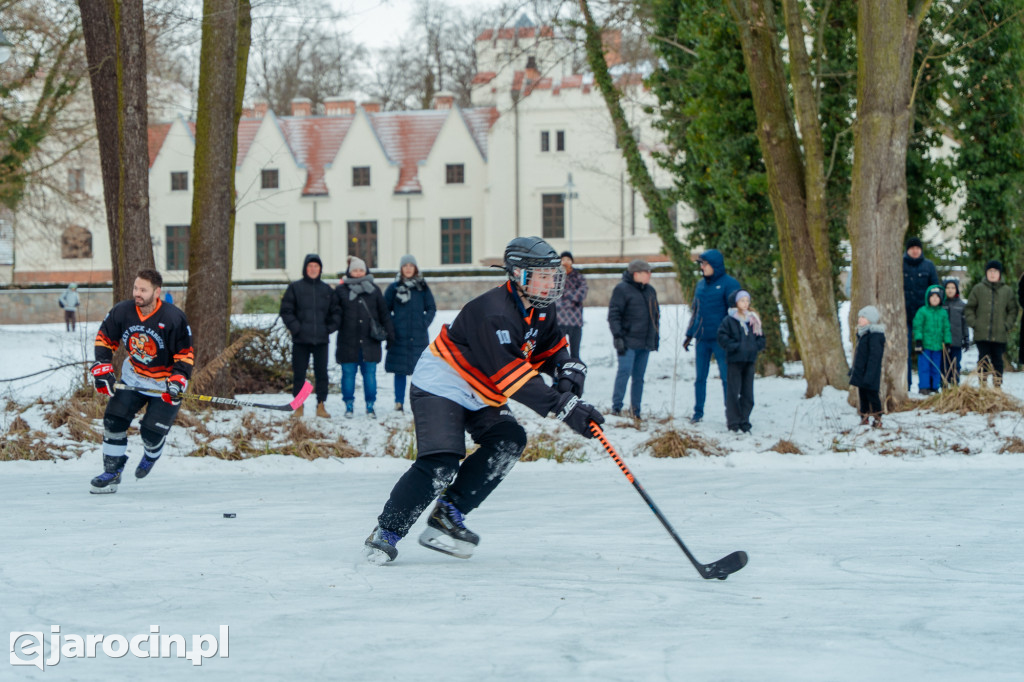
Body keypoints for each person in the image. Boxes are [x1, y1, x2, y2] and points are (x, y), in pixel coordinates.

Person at [363, 236, 601, 564]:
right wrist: (562, 406)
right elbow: (512, 375)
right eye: (542, 275)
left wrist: (568, 368)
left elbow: (549, 347)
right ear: (519, 275)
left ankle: (449, 513)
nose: (550, 282)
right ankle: (386, 533)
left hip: (482, 388)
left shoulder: (543, 308)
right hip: (442, 383)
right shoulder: (494, 312)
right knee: (441, 463)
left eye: (552, 275)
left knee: (509, 441)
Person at [88, 269, 193, 493]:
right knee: (113, 421)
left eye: (143, 290)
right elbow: (104, 338)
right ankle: (112, 472)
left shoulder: (173, 317)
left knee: (151, 433)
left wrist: (178, 380)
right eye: (136, 288)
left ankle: (151, 453)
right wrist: (103, 366)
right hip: (134, 377)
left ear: (157, 292)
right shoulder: (123, 311)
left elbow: (184, 355)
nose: (137, 293)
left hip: (163, 384)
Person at [280, 254, 341, 418]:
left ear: (320, 269)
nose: (313, 269)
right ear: (305, 269)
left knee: (322, 374)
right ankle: (299, 406)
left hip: (321, 340)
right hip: (301, 340)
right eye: (310, 266)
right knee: (299, 374)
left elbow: (336, 313)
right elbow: (286, 310)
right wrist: (296, 328)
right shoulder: (295, 288)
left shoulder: (327, 290)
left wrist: (328, 328)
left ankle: (321, 405)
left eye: (316, 266)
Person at [683, 249, 740, 424]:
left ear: (714, 265)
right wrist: (689, 334)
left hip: (721, 340)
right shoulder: (700, 285)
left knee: (726, 377)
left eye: (704, 264)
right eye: (700, 264)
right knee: (700, 378)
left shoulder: (729, 284)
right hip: (702, 339)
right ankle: (698, 413)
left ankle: (732, 414)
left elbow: (737, 313)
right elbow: (696, 311)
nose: (702, 267)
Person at [336, 257, 394, 418]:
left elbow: (384, 314)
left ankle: (370, 405)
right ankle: (348, 405)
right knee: (348, 375)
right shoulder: (341, 291)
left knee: (370, 375)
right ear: (349, 271)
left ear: (366, 271)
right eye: (355, 270)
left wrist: (391, 335)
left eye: (361, 269)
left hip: (370, 342)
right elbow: (334, 314)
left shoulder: (374, 290)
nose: (358, 272)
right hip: (348, 342)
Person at [608, 258, 660, 419]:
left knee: (639, 377)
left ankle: (635, 410)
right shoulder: (621, 290)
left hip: (644, 342)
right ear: (636, 274)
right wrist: (617, 336)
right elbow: (614, 315)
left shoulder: (650, 290)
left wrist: (655, 337)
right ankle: (616, 407)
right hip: (627, 341)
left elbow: (655, 316)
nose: (649, 275)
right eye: (647, 272)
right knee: (624, 372)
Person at [384, 254, 436, 412]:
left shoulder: (422, 287)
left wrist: (423, 323)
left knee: (419, 372)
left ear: (415, 268)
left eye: (410, 266)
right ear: (401, 268)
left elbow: (431, 308)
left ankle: (418, 401)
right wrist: (392, 326)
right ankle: (398, 402)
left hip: (418, 336)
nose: (408, 268)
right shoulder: (393, 288)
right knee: (399, 372)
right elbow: (384, 310)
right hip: (399, 336)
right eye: (405, 266)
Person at [716, 290, 765, 433]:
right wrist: (735, 346)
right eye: (742, 300)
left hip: (749, 360)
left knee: (748, 393)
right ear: (736, 303)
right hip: (735, 360)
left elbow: (760, 337)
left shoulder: (753, 320)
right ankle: (733, 421)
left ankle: (745, 419)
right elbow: (722, 336)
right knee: (733, 391)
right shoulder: (730, 320)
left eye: (747, 300)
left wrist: (755, 346)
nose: (745, 303)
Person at [965, 260, 1018, 388]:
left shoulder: (1007, 291)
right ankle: (982, 385)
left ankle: (997, 385)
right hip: (981, 334)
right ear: (986, 273)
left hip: (999, 334)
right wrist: (974, 323)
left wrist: (1007, 325)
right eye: (990, 271)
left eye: (995, 271)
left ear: (999, 274)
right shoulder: (978, 289)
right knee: (983, 361)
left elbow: (1012, 310)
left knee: (998, 362)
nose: (992, 274)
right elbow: (969, 308)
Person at [902, 237, 939, 390]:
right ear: (907, 250)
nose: (915, 251)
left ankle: (928, 385)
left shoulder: (928, 266)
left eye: (918, 248)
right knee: (904, 350)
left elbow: (935, 288)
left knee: (926, 350)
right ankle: (905, 384)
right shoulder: (900, 265)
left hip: (925, 317)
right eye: (912, 248)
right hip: (904, 315)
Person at [849, 305, 886, 429]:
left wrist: (870, 374)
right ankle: (864, 416)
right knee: (863, 395)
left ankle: (877, 417)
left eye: (863, 317)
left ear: (871, 319)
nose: (860, 319)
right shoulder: (862, 334)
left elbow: (874, 357)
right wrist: (854, 370)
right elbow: (859, 356)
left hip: (870, 373)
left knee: (872, 395)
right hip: (861, 372)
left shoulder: (875, 335)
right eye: (860, 316)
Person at [912, 284, 951, 395]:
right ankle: (924, 386)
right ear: (928, 298)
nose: (934, 299)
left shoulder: (943, 313)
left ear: (941, 299)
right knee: (924, 367)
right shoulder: (922, 311)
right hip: (925, 346)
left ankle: (935, 386)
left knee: (936, 367)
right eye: (932, 296)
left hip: (938, 346)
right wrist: (918, 341)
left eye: (937, 296)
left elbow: (946, 328)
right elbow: (918, 326)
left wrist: (947, 342)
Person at [556, 251, 588, 359]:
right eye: (563, 259)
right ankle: (559, 375)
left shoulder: (578, 277)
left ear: (572, 262)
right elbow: (553, 296)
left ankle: (575, 375)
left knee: (575, 354)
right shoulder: (555, 277)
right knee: (559, 353)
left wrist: (565, 293)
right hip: (560, 321)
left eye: (568, 259)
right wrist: (572, 298)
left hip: (575, 321)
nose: (565, 262)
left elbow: (582, 294)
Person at [941, 278, 969, 387]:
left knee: (956, 364)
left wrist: (966, 338)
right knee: (944, 364)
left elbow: (964, 324)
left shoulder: (961, 305)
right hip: (943, 342)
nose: (950, 290)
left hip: (956, 341)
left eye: (953, 288)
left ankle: (955, 383)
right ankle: (944, 384)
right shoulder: (942, 304)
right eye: (947, 288)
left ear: (956, 289)